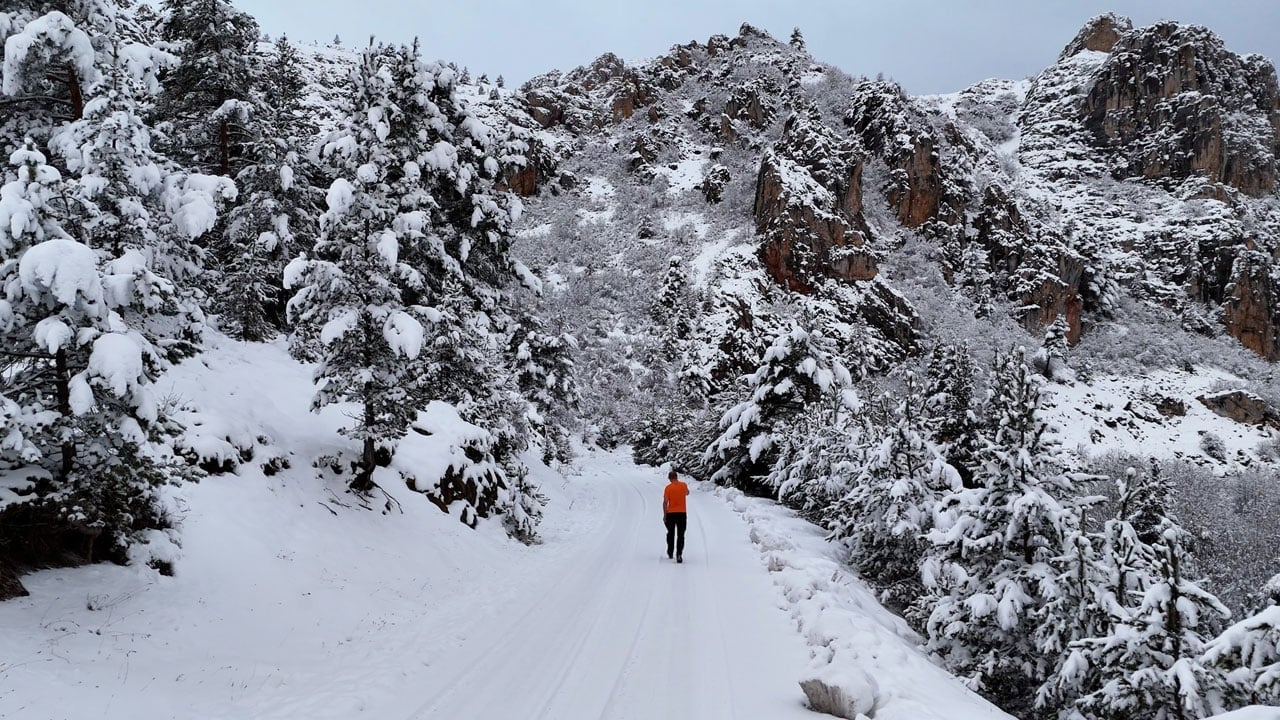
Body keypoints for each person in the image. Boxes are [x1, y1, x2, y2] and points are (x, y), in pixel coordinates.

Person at [662, 469, 690, 563]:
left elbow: (665, 502)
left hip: (671, 514)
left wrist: (665, 515)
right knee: (681, 535)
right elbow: (687, 493)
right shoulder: (683, 485)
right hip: (682, 513)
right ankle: (679, 554)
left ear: (670, 478)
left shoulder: (668, 488)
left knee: (670, 533)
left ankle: (670, 551)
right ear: (677, 477)